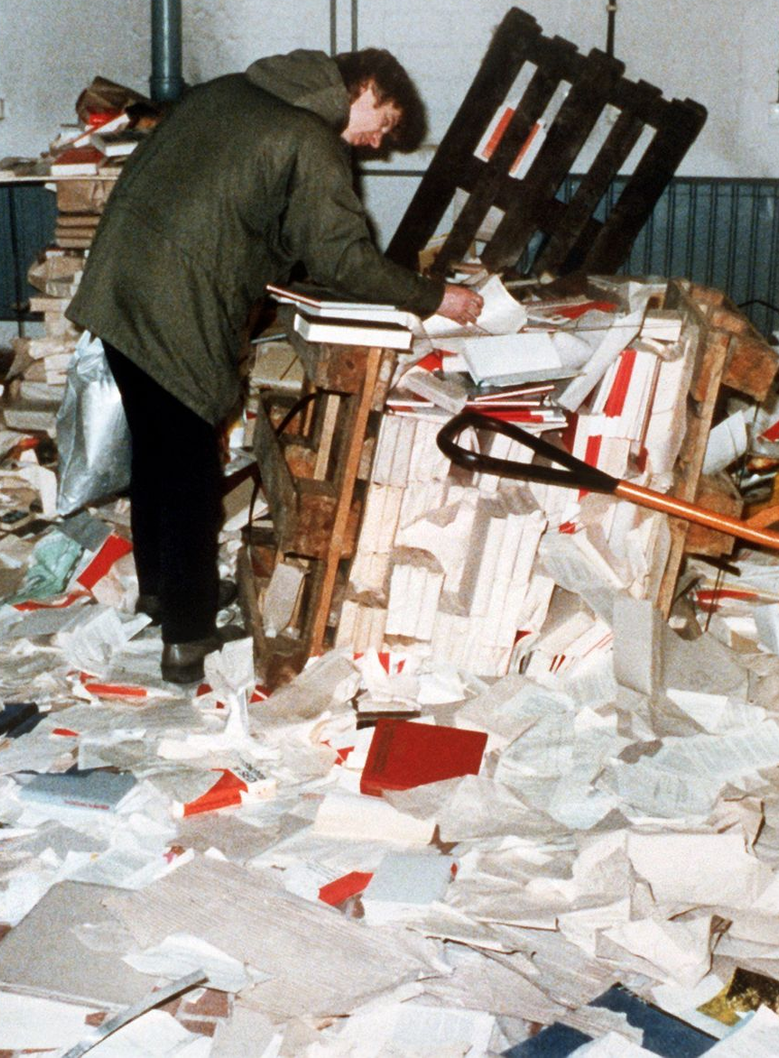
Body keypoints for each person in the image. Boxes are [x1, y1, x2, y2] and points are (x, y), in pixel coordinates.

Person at [67, 46, 482, 684]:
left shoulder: (231, 92)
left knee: (156, 448)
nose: (376, 141)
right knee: (188, 466)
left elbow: (245, 203)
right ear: (361, 88)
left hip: (119, 283)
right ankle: (188, 637)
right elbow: (342, 257)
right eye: (383, 119)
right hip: (175, 297)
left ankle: (164, 593)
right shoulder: (307, 137)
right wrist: (438, 297)